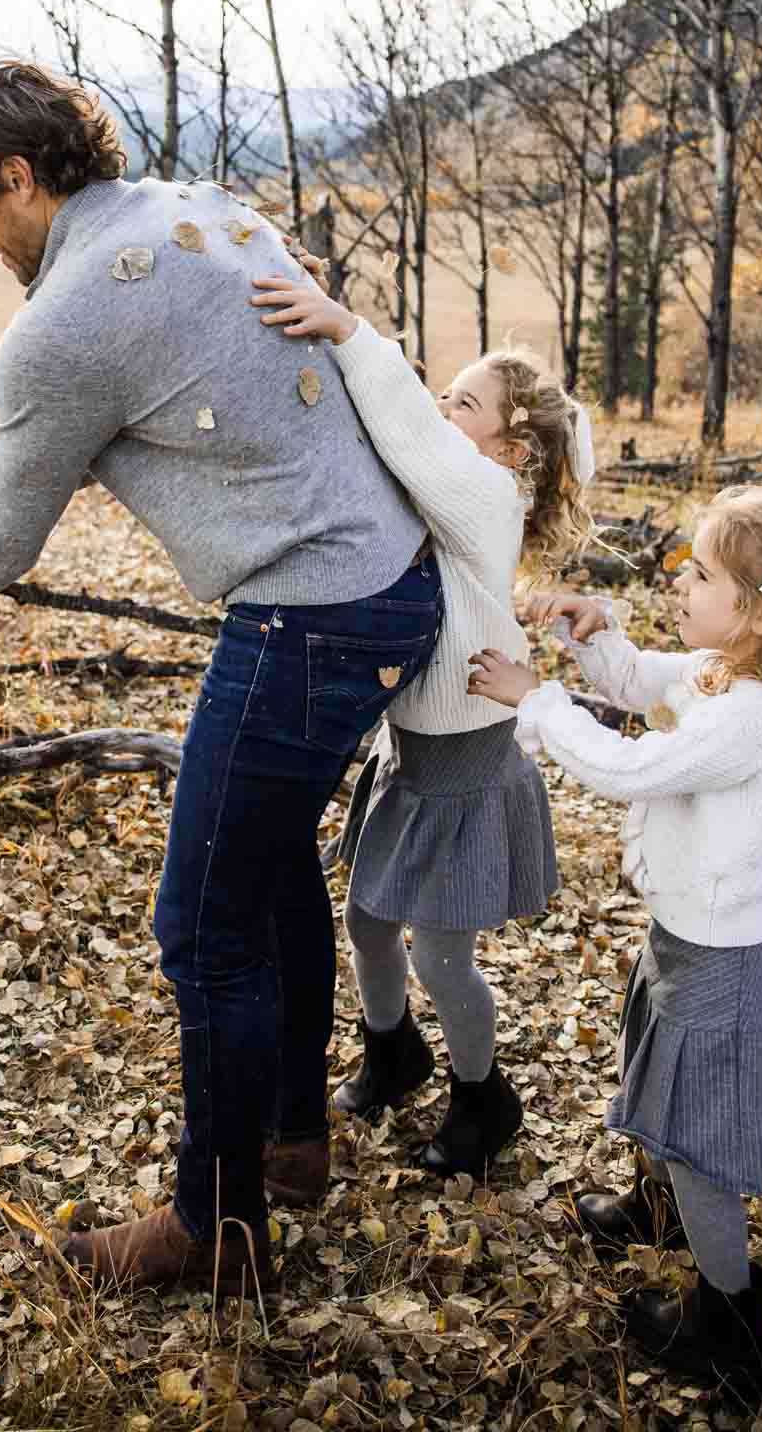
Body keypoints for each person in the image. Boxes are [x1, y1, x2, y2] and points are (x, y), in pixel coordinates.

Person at [0, 58, 442, 1295]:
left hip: (311, 617)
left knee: (201, 925)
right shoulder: (202, 206)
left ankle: (214, 1223)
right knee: (270, 866)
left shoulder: (63, 324)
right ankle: (289, 1138)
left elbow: (2, 541)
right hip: (389, 581)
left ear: (21, 177)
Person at [469, 485, 762, 1403]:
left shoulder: (754, 717)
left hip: (723, 965)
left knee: (698, 1143)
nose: (679, 583)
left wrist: (537, 700)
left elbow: (628, 767)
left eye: (700, 575)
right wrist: (593, 632)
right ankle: (655, 1210)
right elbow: (640, 683)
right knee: (657, 1079)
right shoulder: (722, 672)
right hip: (688, 939)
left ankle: (728, 1326)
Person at [251, 273, 590, 1181]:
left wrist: (352, 330)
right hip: (405, 751)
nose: (442, 407)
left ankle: (484, 1096)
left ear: (512, 450)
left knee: (442, 958)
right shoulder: (447, 487)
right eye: (444, 392)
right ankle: (392, 1050)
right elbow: (375, 439)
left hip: (465, 764)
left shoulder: (485, 493)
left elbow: (404, 433)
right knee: (366, 923)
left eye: (464, 403)